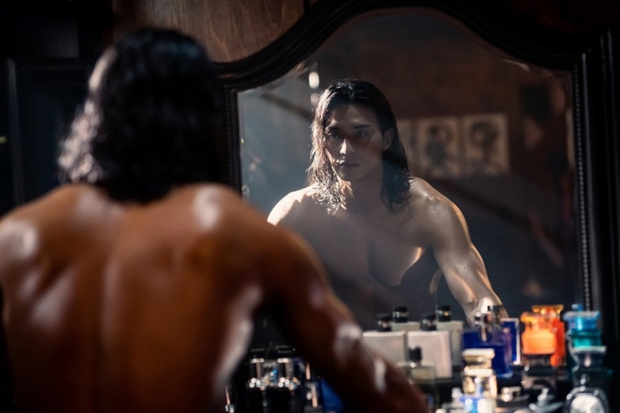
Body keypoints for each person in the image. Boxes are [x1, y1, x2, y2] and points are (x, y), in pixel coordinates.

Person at [0, 29, 427, 413]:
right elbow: (381, 392)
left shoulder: (17, 237)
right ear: (204, 123)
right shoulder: (234, 234)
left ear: (93, 119)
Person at [268, 78, 506, 329]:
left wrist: (499, 333)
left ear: (386, 138)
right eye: (335, 135)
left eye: (361, 134)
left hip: (416, 351)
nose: (346, 149)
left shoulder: (429, 210)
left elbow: (477, 298)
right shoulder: (297, 212)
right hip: (336, 352)